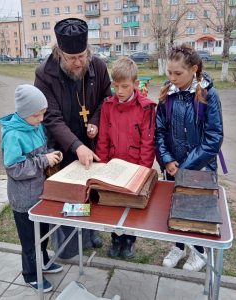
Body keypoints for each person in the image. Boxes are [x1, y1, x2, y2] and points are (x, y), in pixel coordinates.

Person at [34, 18, 112, 259]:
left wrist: (96, 122)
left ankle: (89, 233)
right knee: (70, 195)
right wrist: (76, 146)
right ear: (60, 53)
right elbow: (51, 117)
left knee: (90, 192)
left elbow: (104, 100)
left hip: (91, 144)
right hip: (63, 146)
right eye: (72, 58)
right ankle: (70, 240)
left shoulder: (97, 67)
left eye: (82, 56)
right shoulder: (45, 73)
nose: (79, 63)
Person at [155, 44, 224, 271]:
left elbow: (213, 138)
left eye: (178, 73)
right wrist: (166, 159)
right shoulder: (168, 95)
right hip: (172, 166)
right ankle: (178, 246)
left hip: (199, 169)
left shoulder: (208, 95)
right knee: (174, 206)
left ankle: (199, 252)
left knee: (196, 209)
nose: (172, 78)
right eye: (169, 73)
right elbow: (160, 131)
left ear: (193, 69)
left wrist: (185, 166)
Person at [0, 84, 64, 293]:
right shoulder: (13, 136)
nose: (41, 119)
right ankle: (30, 275)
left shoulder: (35, 126)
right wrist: (43, 161)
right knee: (29, 242)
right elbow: (15, 169)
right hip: (23, 200)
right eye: (37, 115)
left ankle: (44, 262)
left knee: (42, 234)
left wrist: (52, 154)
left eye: (43, 114)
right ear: (25, 113)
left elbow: (41, 152)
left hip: (39, 195)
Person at [96, 57, 157, 258]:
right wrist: (103, 165)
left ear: (135, 84)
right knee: (114, 204)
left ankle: (129, 241)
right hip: (113, 165)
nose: (119, 91)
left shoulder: (146, 108)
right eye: (116, 86)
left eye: (125, 86)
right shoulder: (107, 106)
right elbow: (103, 137)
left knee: (131, 206)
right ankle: (116, 239)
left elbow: (148, 143)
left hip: (135, 167)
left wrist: (143, 171)